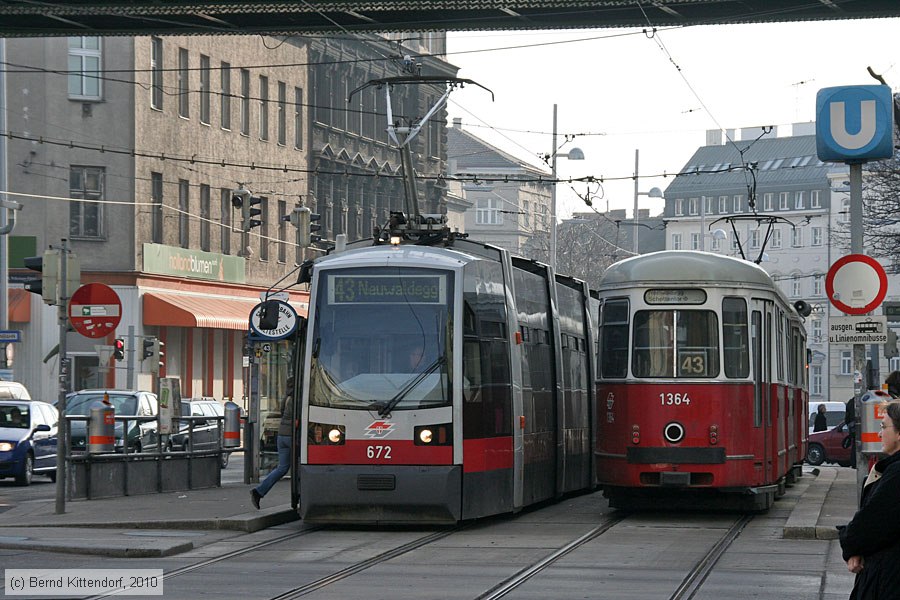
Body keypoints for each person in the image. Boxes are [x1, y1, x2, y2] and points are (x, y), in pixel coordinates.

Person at [838, 401, 900, 599]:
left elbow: (872, 522)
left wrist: (852, 546)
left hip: (889, 578)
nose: (880, 434)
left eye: (883, 426)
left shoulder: (896, 474)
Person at [251, 377, 295, 509]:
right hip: (292, 436)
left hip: (282, 435)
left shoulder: (286, 398)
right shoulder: (296, 399)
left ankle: (259, 491)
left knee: (282, 468)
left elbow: (282, 414)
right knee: (303, 464)